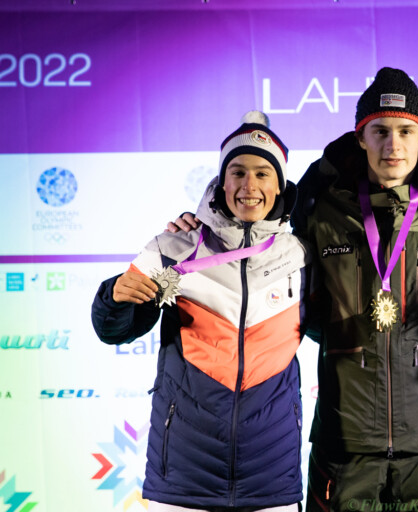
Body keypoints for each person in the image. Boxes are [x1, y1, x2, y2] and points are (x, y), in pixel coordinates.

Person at [91, 111, 313, 512]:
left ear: (280, 185)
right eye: (238, 172)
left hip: (270, 479)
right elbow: (114, 329)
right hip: (182, 477)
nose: (250, 186)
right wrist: (115, 296)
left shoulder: (300, 256)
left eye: (263, 174)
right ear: (221, 181)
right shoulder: (173, 248)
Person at [291, 67, 418, 512]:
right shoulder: (325, 210)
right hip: (346, 439)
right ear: (359, 138)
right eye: (380, 131)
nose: (393, 145)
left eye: (405, 131)